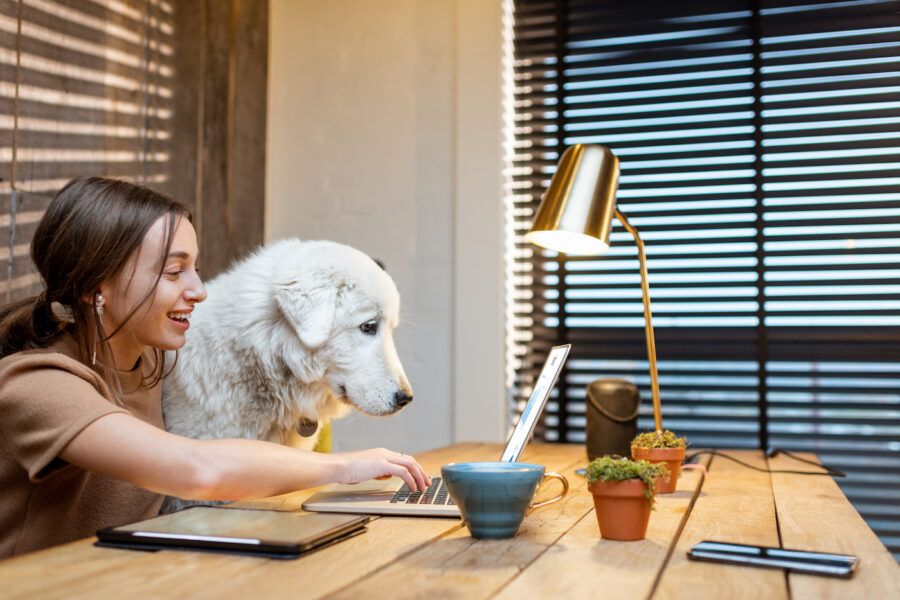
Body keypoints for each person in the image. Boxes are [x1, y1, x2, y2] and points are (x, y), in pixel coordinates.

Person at [0, 177, 429, 558]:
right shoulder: (37, 383)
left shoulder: (149, 360)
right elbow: (197, 470)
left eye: (196, 268)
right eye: (174, 272)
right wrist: (346, 468)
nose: (198, 290)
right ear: (98, 286)